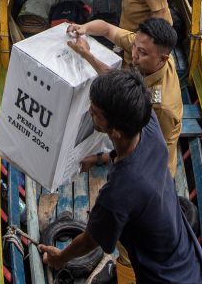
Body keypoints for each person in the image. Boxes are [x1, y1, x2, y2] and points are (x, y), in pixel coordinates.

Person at [39, 70, 202, 284]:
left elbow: (91, 240)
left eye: (96, 112)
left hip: (164, 282)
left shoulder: (119, 192)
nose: (90, 110)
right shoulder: (148, 126)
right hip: (189, 258)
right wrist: (101, 158)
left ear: (116, 131)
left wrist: (60, 258)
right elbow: (121, 87)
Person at [67, 17, 182, 177]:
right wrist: (83, 28)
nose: (134, 54)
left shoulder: (160, 106)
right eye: (134, 46)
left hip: (152, 166)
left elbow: (144, 149)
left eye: (142, 53)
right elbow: (107, 28)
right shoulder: (144, 46)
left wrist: (87, 54)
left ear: (163, 59)